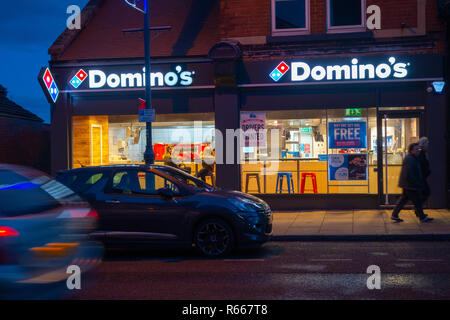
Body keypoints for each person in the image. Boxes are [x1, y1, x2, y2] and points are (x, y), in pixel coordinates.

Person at [391, 143, 433, 222]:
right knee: (416, 201)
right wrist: (416, 182)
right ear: (412, 150)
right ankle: (422, 217)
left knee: (403, 200)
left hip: (407, 184)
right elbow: (409, 173)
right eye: (416, 149)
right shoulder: (410, 159)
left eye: (419, 149)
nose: (418, 151)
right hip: (410, 184)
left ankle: (394, 214)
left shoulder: (412, 158)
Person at [417, 137, 431, 215]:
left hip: (422, 178)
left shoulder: (424, 153)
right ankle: (418, 211)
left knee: (423, 194)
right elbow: (422, 166)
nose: (428, 146)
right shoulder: (421, 154)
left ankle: (419, 212)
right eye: (427, 144)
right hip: (421, 178)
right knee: (426, 193)